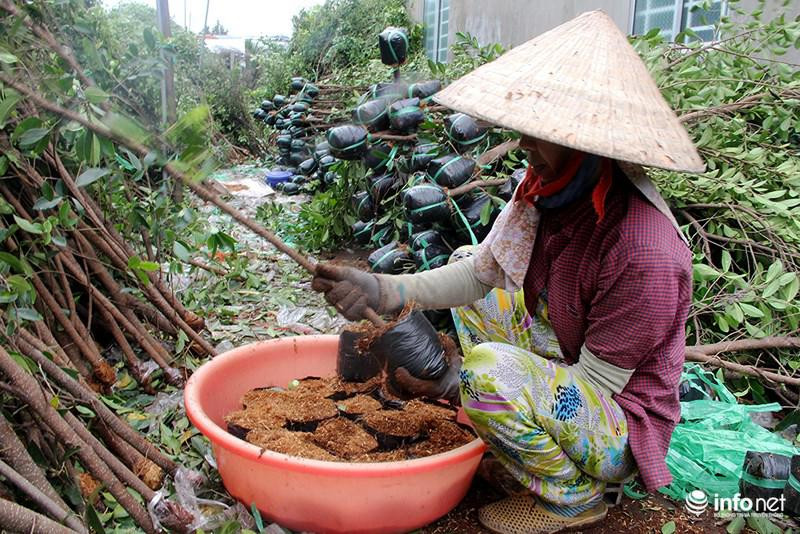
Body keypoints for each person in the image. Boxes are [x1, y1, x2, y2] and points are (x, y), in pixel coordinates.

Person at [313, 11, 704, 534]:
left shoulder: (645, 254)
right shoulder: (546, 194)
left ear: (588, 145)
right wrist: (385, 288)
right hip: (572, 362)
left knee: (487, 373)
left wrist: (463, 389)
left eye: (539, 136)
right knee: (473, 290)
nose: (523, 147)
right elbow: (479, 273)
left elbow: (596, 388)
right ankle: (515, 422)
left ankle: (574, 497)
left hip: (617, 422)